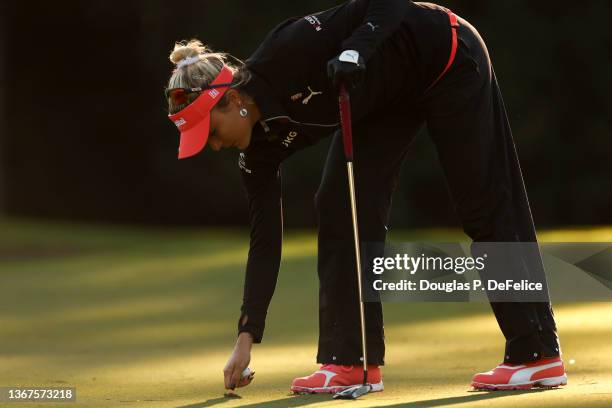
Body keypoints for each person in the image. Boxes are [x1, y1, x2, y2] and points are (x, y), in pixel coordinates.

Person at [164, 0, 567, 394]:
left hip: (444, 55)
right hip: (380, 100)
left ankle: (536, 354)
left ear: (232, 101)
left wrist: (357, 48)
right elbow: (265, 239)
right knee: (339, 205)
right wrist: (246, 336)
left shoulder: (287, 49)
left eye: (212, 133)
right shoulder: (258, 151)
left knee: (483, 199)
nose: (214, 146)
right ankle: (351, 362)